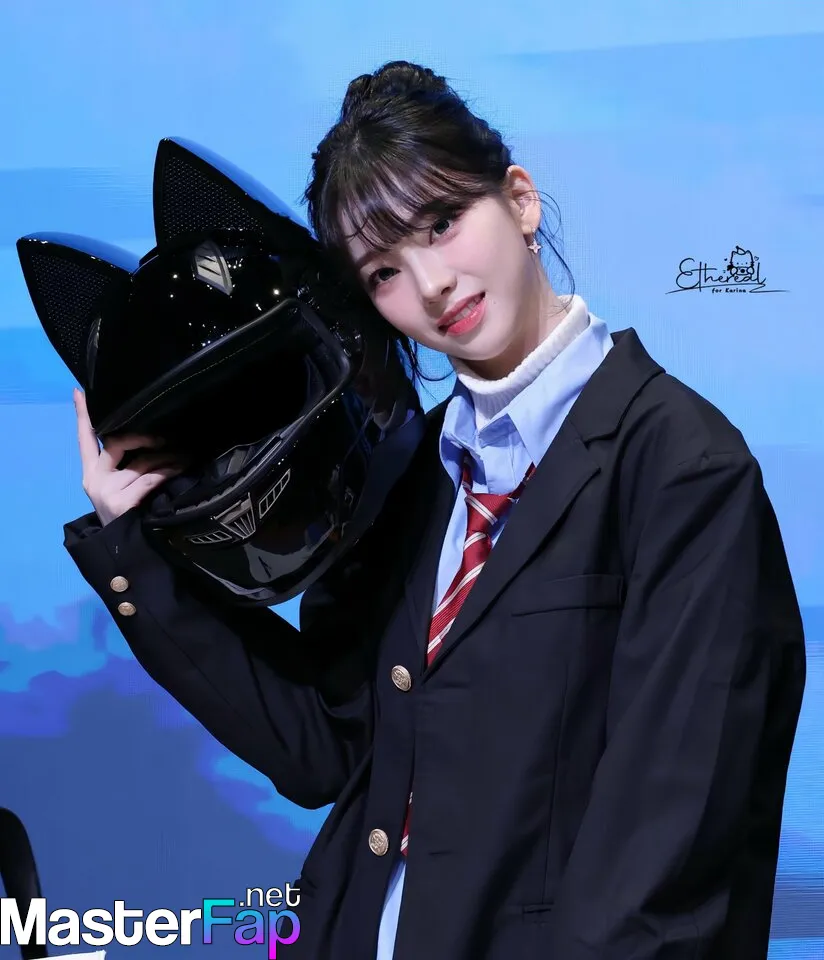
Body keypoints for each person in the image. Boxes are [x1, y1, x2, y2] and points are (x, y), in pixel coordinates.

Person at [64, 61, 806, 959]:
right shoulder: (412, 475)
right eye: (383, 270)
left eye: (443, 223)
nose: (432, 285)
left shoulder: (681, 467)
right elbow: (327, 749)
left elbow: (670, 854)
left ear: (520, 201)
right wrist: (136, 553)